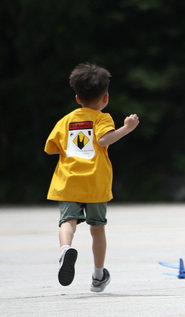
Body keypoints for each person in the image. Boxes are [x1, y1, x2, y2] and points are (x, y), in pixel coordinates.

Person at [45, 63, 140, 292]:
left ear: (77, 98)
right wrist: (127, 128)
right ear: (105, 98)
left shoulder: (66, 120)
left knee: (67, 222)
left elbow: (51, 148)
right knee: (97, 229)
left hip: (69, 180)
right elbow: (104, 140)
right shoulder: (102, 118)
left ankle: (65, 249)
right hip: (95, 182)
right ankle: (98, 276)